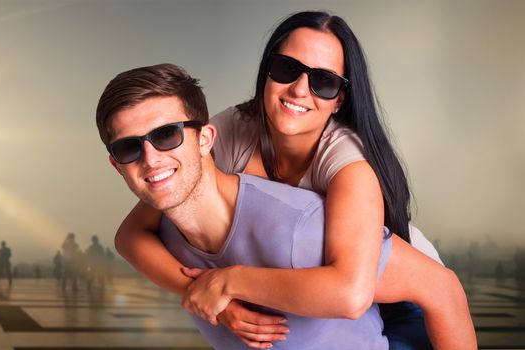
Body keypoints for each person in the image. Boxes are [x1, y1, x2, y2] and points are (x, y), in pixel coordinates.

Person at [113, 11, 454, 349]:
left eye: (324, 82)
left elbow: (353, 293)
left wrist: (229, 282)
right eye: (287, 69)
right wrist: (207, 293)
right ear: (267, 73)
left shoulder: (350, 167)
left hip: (407, 301)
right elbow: (132, 234)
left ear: (340, 100)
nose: (300, 89)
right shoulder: (230, 131)